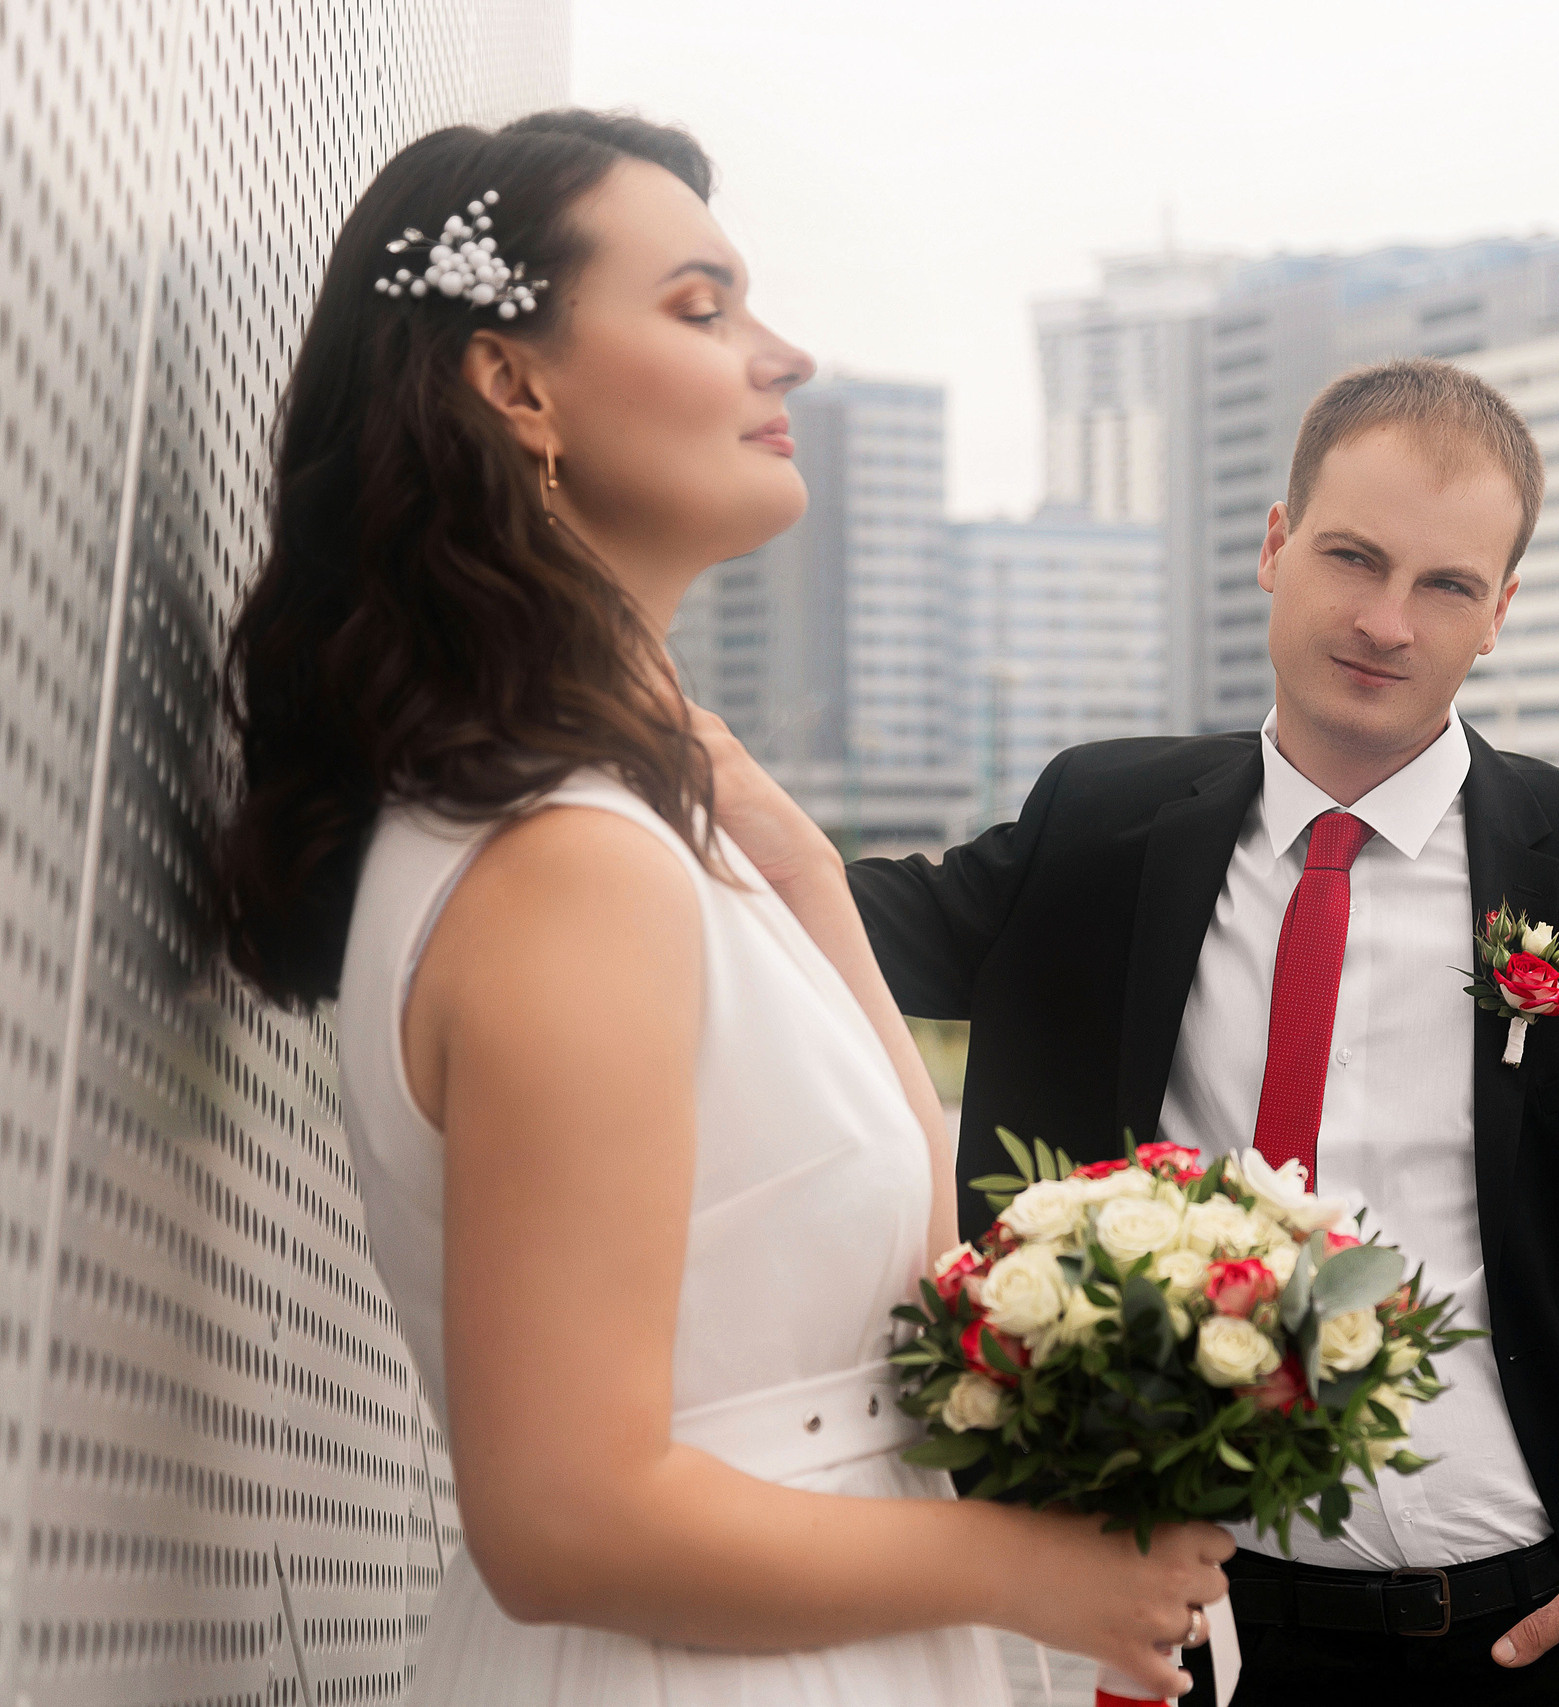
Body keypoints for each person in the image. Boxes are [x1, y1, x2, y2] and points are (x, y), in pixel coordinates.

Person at [213, 108, 1230, 1706]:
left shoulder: (640, 829)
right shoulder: (566, 862)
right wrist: (1037, 1577)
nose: (787, 356)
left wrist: (807, 872)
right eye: (702, 307)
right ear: (517, 386)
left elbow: (910, 1259)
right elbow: (565, 1518)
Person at [809, 359, 1559, 1705]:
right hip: (1209, 1632)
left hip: (1542, 1633)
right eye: (1353, 558)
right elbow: (831, 928)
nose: (1386, 623)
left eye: (1447, 585)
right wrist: (650, 791)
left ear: (1500, 612)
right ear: (1275, 546)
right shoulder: (1104, 827)